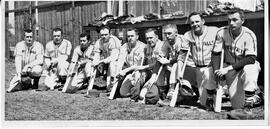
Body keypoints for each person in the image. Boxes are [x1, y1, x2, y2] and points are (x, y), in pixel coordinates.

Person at [212, 10, 262, 113]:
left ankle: (249, 100)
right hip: (231, 70)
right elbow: (216, 54)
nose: (231, 23)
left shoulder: (249, 34)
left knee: (251, 68)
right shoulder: (221, 32)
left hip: (244, 67)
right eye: (229, 20)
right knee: (237, 107)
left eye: (235, 20)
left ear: (242, 20)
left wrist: (228, 69)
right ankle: (257, 97)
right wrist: (217, 71)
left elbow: (251, 59)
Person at [178, 12, 219, 110]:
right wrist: (179, 71)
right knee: (203, 103)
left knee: (208, 75)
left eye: (197, 21)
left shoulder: (215, 31)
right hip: (198, 68)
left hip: (212, 67)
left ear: (203, 21)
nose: (195, 24)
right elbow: (182, 55)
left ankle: (217, 92)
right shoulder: (187, 35)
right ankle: (207, 94)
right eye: (192, 23)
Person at [153, 24, 188, 102]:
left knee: (175, 65)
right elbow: (160, 58)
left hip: (186, 65)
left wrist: (168, 61)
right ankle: (162, 91)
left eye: (169, 33)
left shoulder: (181, 40)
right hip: (173, 65)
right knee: (164, 66)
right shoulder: (166, 42)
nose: (167, 36)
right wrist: (154, 74)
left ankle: (172, 90)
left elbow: (181, 58)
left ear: (176, 33)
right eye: (165, 34)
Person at [117, 28, 146, 98]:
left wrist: (125, 70)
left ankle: (142, 90)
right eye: (128, 36)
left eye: (132, 36)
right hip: (130, 73)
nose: (130, 38)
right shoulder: (125, 46)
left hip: (141, 72)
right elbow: (120, 60)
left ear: (137, 37)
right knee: (123, 93)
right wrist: (118, 72)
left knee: (138, 75)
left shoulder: (143, 47)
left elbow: (139, 65)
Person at [92, 26, 121, 91]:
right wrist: (95, 61)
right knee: (92, 63)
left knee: (112, 65)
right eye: (102, 35)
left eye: (106, 34)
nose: (104, 36)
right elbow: (96, 54)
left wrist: (100, 61)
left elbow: (114, 57)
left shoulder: (114, 40)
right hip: (106, 60)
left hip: (117, 60)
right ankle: (90, 82)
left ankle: (113, 84)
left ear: (110, 34)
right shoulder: (99, 41)